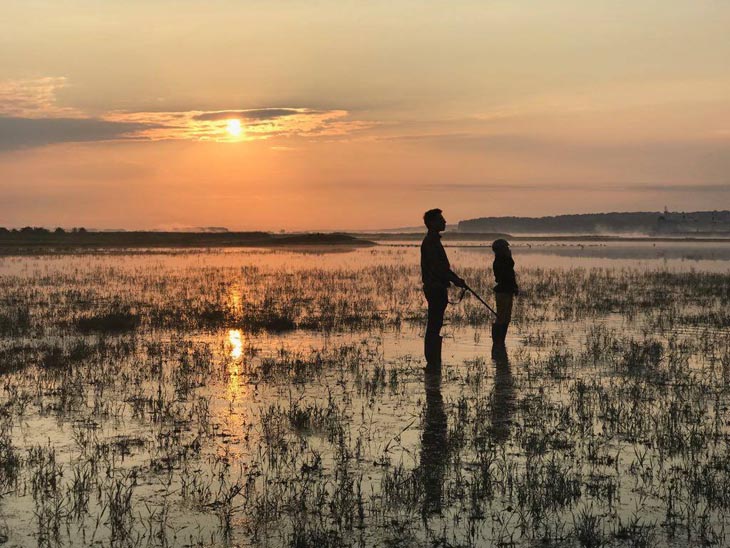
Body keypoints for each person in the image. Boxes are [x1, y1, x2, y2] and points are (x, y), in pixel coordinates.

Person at [421, 209, 466, 372]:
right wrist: (456, 280)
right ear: (432, 223)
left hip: (436, 287)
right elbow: (439, 269)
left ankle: (433, 362)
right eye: (441, 219)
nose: (445, 221)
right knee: (434, 323)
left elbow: (442, 268)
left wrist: (455, 280)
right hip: (435, 288)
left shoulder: (433, 240)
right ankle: (432, 362)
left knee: (435, 323)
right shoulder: (431, 242)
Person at [491, 238, 518, 346]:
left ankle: (500, 342)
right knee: (502, 317)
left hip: (507, 291)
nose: (508, 249)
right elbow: (505, 277)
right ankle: (498, 342)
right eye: (506, 248)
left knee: (506, 317)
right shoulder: (501, 262)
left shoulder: (505, 260)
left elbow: (511, 276)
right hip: (503, 292)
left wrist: (514, 287)